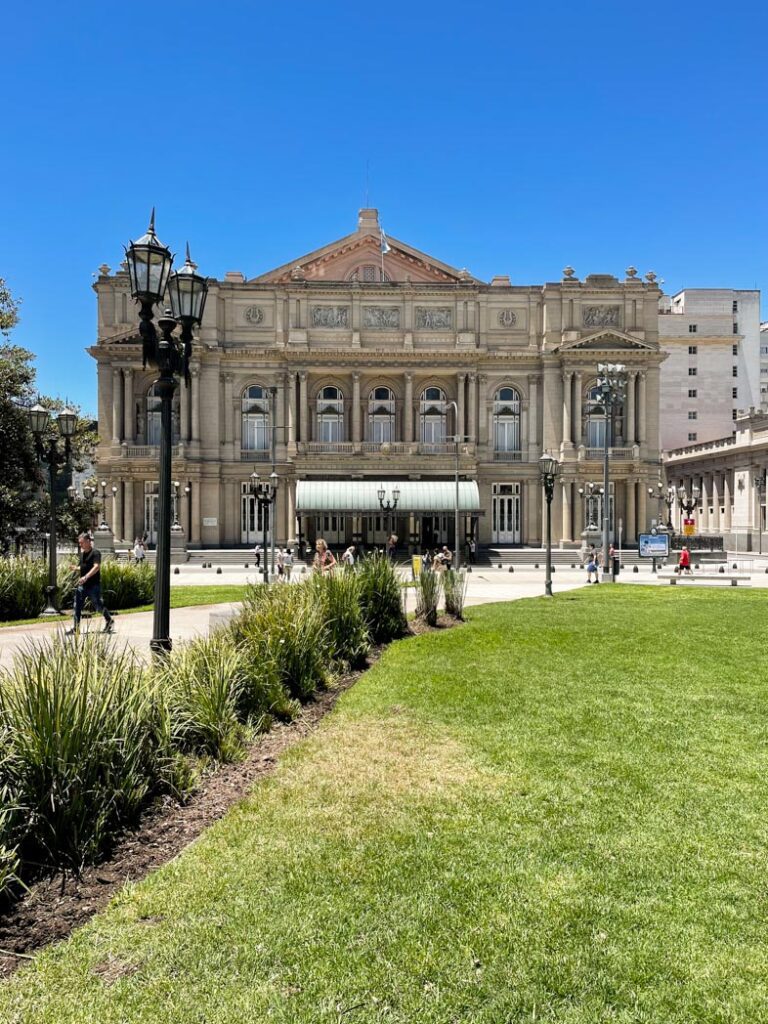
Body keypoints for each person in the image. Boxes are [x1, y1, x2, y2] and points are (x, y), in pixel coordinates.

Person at [66, 532, 114, 635]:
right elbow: (84, 567)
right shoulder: (82, 554)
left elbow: (96, 567)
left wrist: (85, 577)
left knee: (98, 606)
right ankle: (76, 628)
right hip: (82, 586)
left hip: (93, 585)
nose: (80, 545)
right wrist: (75, 568)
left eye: (82, 543)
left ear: (88, 541)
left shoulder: (96, 553)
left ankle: (109, 619)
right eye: (79, 543)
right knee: (77, 606)